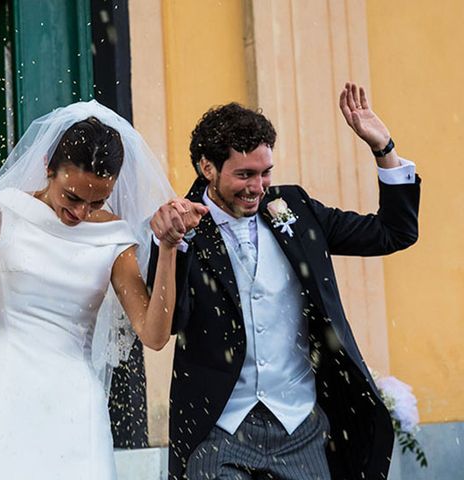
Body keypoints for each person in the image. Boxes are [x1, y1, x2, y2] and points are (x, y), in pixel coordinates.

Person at [0, 101, 207, 480]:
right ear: (47, 166)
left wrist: (169, 249)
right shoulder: (1, 213)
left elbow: (154, 335)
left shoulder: (115, 238)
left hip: (74, 403)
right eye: (72, 196)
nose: (80, 213)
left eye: (97, 201)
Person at [148, 83, 420, 480]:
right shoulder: (177, 227)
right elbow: (169, 323)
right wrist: (172, 244)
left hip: (301, 429)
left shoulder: (296, 208)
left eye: (265, 172)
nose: (258, 187)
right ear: (207, 168)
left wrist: (383, 148)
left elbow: (393, 233)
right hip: (219, 430)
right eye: (244, 175)